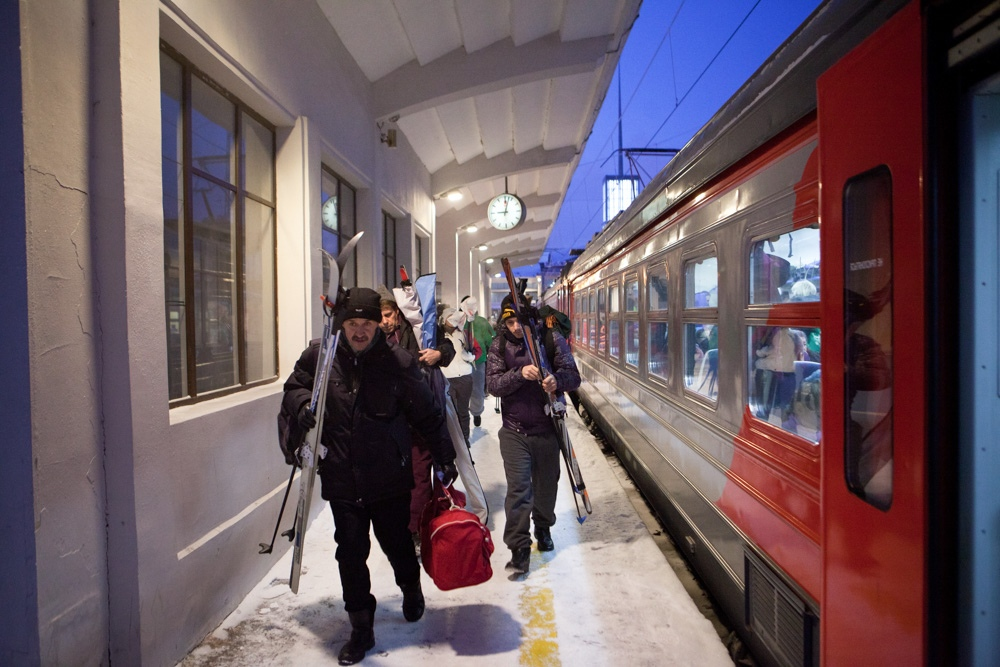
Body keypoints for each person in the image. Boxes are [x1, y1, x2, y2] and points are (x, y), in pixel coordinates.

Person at [282, 287, 457, 666]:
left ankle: (410, 587)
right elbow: (293, 386)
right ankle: (361, 629)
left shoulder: (398, 362)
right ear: (342, 325)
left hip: (388, 478)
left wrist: (445, 456)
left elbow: (426, 413)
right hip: (342, 476)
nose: (359, 331)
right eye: (352, 324)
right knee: (350, 555)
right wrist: (301, 408)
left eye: (367, 323)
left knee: (396, 545)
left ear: (379, 323)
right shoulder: (320, 356)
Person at [486, 294, 580, 575]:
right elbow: (492, 384)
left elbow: (573, 376)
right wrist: (518, 374)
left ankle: (543, 526)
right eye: (510, 322)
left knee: (546, 484)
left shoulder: (551, 340)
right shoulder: (499, 345)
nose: (516, 327)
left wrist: (555, 380)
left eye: (520, 322)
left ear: (531, 321)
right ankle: (519, 548)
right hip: (514, 430)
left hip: (548, 427)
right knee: (518, 489)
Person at [377, 286, 455, 551]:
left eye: (388, 315)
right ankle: (410, 528)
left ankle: (421, 529)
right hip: (393, 421)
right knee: (407, 479)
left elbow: (447, 348)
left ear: (398, 314)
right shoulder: (375, 340)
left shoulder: (420, 329)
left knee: (426, 475)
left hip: (423, 414)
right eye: (380, 317)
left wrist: (439, 354)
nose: (384, 321)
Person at [459, 296, 495, 428]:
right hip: (478, 360)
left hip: (463, 361)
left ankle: (466, 413)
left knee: (462, 389)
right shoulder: (482, 322)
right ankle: (476, 412)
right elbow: (491, 340)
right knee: (477, 388)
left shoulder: (459, 321)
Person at [441, 306, 475, 441]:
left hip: (464, 377)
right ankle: (452, 439)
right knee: (450, 412)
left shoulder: (462, 333)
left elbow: (467, 352)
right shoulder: (439, 335)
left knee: (463, 411)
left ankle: (464, 439)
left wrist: (471, 357)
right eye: (450, 318)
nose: (453, 321)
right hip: (447, 377)